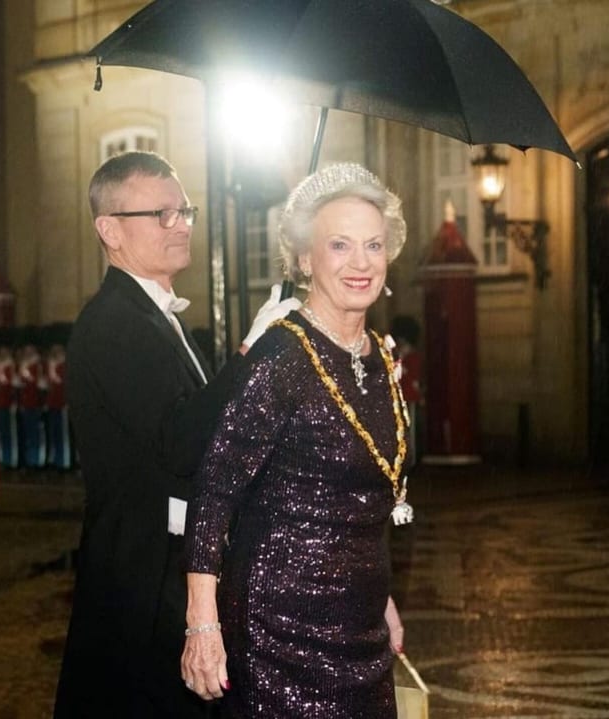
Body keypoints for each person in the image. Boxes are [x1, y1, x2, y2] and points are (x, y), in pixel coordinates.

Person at [53, 151, 299, 718]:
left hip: (160, 567)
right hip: (140, 579)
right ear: (109, 230)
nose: (182, 223)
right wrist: (247, 355)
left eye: (184, 209)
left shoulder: (152, 315)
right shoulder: (115, 321)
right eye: (161, 214)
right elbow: (181, 442)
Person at [181, 163, 412, 717]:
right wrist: (203, 625)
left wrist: (384, 600)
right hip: (280, 634)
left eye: (373, 245)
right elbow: (213, 494)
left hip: (363, 631)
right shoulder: (280, 358)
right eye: (340, 244)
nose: (360, 262)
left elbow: (368, 497)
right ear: (306, 260)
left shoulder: (380, 357)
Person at [390, 314, 423, 468]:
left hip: (409, 397)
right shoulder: (400, 355)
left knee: (411, 432)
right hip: (398, 397)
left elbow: (413, 379)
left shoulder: (413, 357)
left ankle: (413, 460)